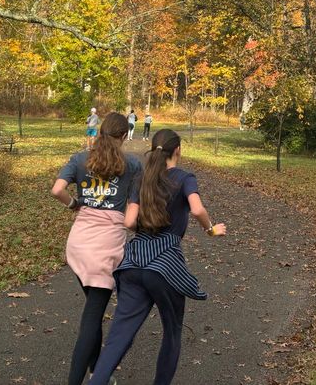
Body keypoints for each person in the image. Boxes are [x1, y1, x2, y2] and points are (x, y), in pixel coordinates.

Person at [87, 129, 226, 385]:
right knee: (172, 333)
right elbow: (197, 209)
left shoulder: (143, 178)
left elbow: (129, 222)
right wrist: (211, 230)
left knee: (119, 335)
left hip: (133, 263)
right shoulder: (185, 178)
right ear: (178, 150)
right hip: (164, 266)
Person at [52, 113, 142, 385]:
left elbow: (57, 190)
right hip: (106, 247)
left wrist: (74, 204)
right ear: (125, 136)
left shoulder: (81, 159)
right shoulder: (134, 164)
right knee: (92, 317)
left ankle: (98, 372)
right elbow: (133, 214)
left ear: (101, 132)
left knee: (94, 311)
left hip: (79, 242)